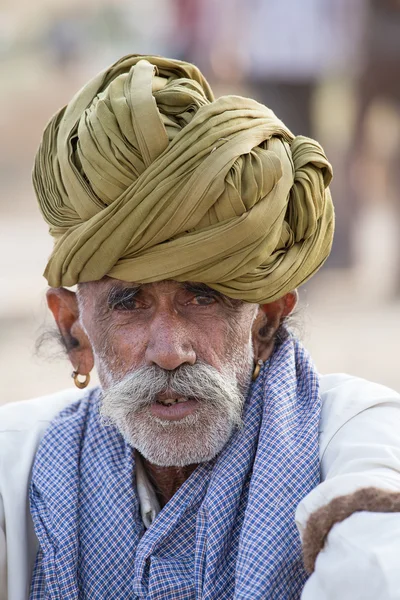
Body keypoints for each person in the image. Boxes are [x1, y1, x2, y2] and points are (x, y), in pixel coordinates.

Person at [1, 54, 400, 600]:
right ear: (74, 331)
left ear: (267, 321)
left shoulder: (358, 440)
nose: (169, 351)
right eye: (129, 303)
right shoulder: (17, 466)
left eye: (201, 297)